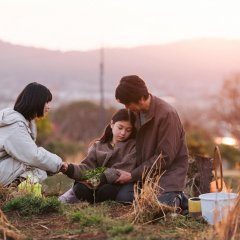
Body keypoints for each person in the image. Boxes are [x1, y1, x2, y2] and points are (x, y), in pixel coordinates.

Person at [115, 75, 189, 210]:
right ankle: (168, 197)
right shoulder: (135, 112)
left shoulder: (167, 115)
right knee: (123, 198)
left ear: (141, 99)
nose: (126, 107)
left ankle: (179, 197)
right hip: (145, 175)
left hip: (167, 174)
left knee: (156, 207)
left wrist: (132, 175)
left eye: (127, 103)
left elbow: (164, 158)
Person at [59, 109, 136, 204]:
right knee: (80, 188)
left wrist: (101, 177)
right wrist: (69, 168)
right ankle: (90, 202)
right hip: (93, 182)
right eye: (120, 128)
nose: (123, 133)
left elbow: (122, 170)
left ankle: (95, 202)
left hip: (114, 185)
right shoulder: (98, 145)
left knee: (107, 190)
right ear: (112, 124)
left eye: (128, 130)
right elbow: (87, 168)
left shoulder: (133, 146)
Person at [0, 82, 63, 187]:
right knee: (33, 166)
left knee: (38, 169)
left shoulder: (19, 120)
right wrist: (59, 164)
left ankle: (18, 189)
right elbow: (33, 155)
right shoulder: (14, 125)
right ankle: (16, 191)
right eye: (46, 102)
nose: (49, 106)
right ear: (36, 102)